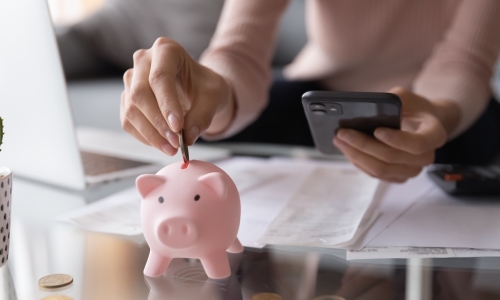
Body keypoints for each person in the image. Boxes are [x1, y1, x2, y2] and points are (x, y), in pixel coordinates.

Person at [120, 0, 500, 182]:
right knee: (215, 135)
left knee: (457, 153)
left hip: (444, 103)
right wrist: (212, 89)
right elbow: (239, 49)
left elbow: (464, 61)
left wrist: (438, 113)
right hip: (322, 90)